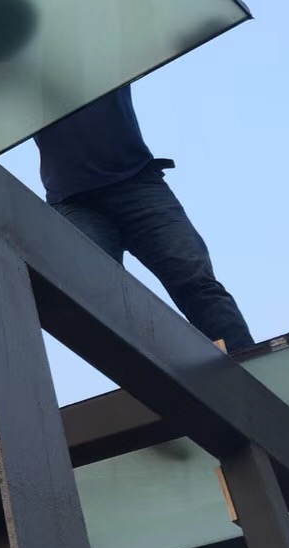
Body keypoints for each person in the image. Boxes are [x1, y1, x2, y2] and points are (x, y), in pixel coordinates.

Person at [34, 85, 254, 351]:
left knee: (196, 284)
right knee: (96, 301)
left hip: (135, 181)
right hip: (74, 198)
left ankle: (247, 364)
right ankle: (146, 373)